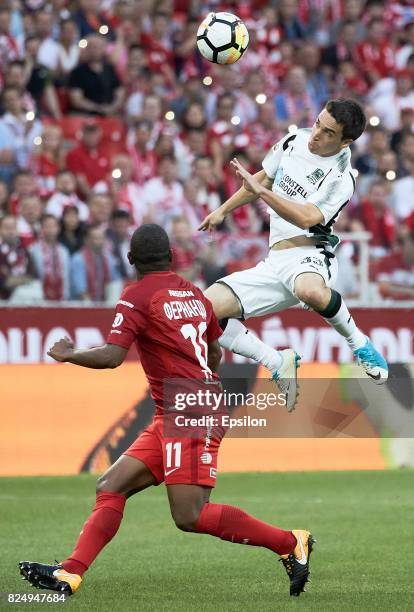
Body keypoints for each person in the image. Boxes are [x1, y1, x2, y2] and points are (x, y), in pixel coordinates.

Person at [19, 224, 314, 598]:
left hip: (189, 412)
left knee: (189, 515)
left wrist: (68, 354)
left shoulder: (136, 296)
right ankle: (70, 573)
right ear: (171, 257)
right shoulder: (193, 294)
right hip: (180, 410)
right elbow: (215, 352)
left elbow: (112, 356)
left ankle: (290, 542)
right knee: (111, 485)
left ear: (130, 260)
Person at [199, 99, 388, 411]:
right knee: (204, 311)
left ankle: (360, 344)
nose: (315, 134)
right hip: (274, 263)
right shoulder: (294, 140)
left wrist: (263, 193)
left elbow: (305, 217)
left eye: (327, 132)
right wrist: (222, 210)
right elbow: (260, 178)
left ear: (346, 141)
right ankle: (275, 360)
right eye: (317, 123)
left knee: (309, 290)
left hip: (311, 255)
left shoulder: (341, 177)